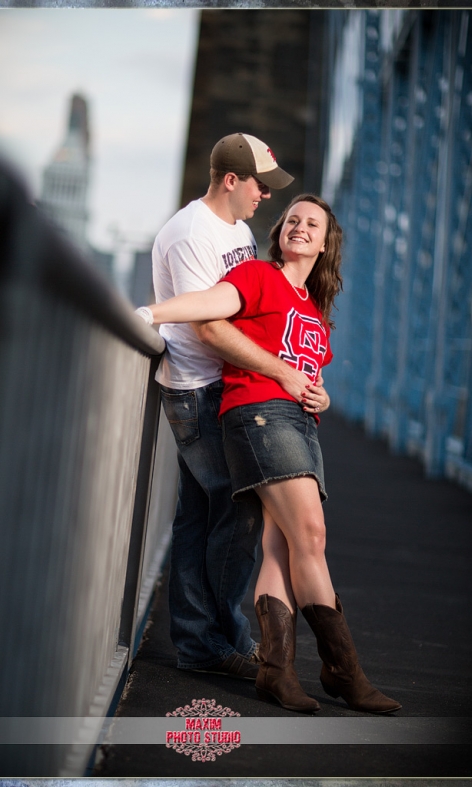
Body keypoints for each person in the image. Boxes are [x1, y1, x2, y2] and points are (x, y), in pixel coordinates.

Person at [137, 194, 401, 714]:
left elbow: (309, 371)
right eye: (294, 220)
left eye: (313, 224)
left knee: (282, 546)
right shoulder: (259, 276)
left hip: (301, 424)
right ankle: (343, 671)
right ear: (281, 232)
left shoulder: (313, 311)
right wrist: (150, 311)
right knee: (312, 535)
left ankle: (276, 673)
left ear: (326, 245)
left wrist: (320, 395)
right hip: (259, 415)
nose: (300, 228)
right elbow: (211, 304)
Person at [151, 133, 327, 681]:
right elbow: (209, 326)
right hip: (198, 388)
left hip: (225, 389)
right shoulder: (188, 235)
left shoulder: (240, 231)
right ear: (231, 180)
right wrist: (281, 370)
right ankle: (214, 641)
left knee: (203, 517)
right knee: (237, 512)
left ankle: (208, 640)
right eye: (260, 185)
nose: (266, 197)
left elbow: (252, 312)